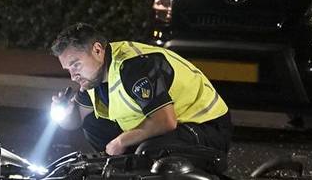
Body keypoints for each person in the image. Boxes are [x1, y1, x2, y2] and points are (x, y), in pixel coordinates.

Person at [48, 22, 232, 157]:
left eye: (76, 65)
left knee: (149, 150)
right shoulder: (92, 78)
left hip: (207, 128)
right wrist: (67, 111)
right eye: (69, 69)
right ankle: (128, 179)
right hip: (174, 129)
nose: (73, 76)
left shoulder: (134, 66)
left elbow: (165, 122)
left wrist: (121, 141)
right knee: (93, 125)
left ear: (97, 50)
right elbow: (76, 123)